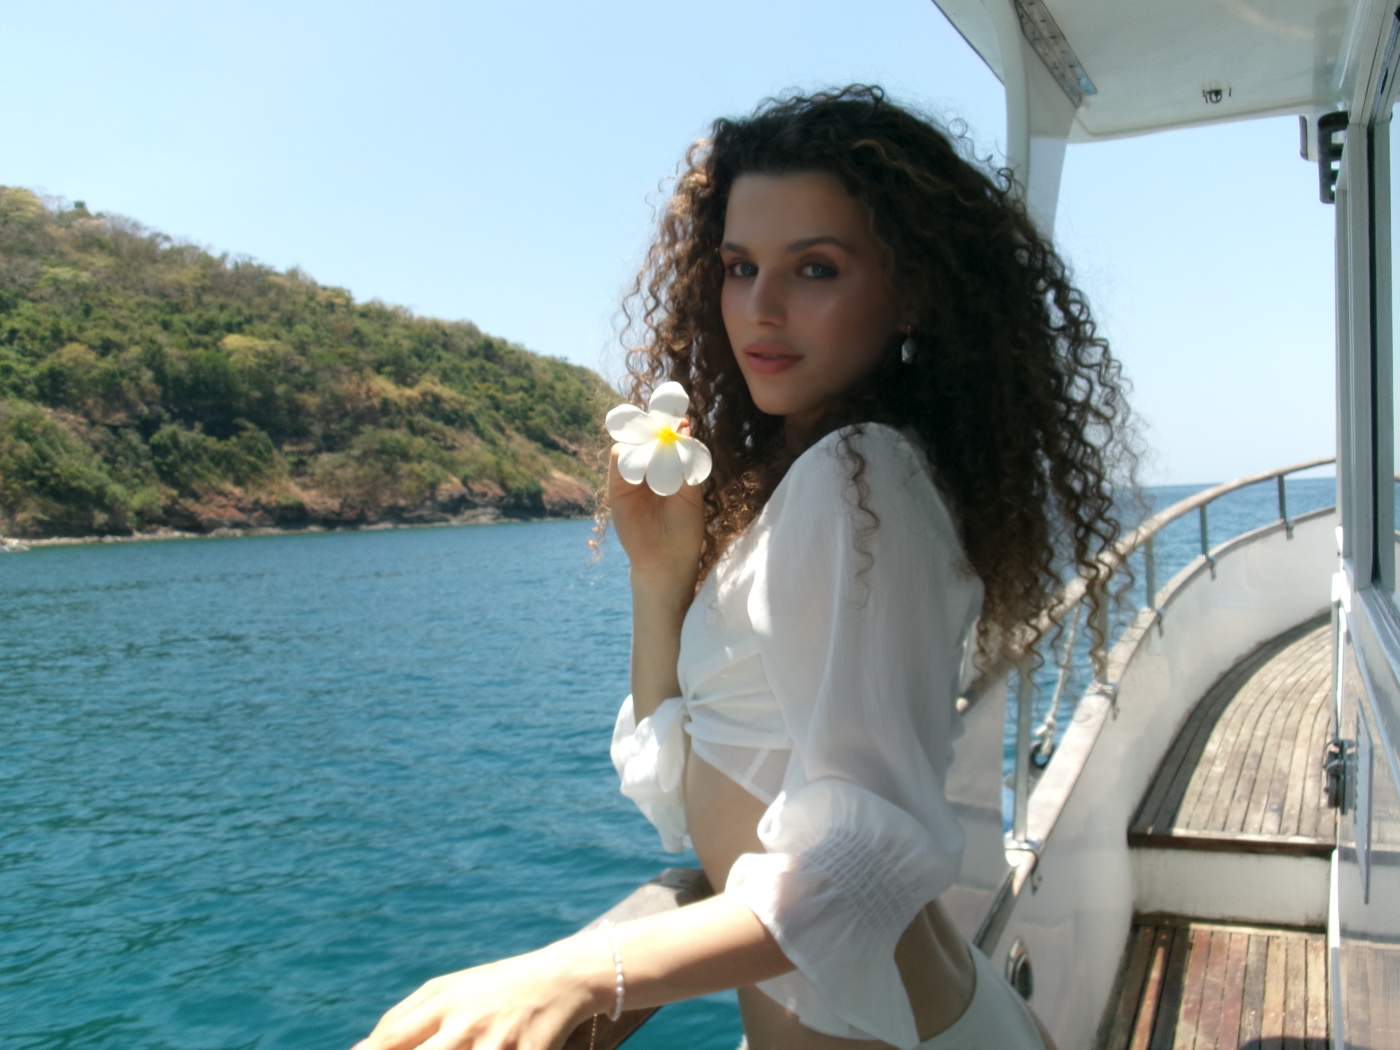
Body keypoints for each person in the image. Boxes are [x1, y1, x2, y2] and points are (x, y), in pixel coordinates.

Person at [354, 84, 1137, 1050]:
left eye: (815, 268)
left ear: (911, 292)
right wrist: (660, 575)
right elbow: (683, 790)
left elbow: (866, 857)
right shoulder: (824, 477)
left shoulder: (858, 478)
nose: (760, 308)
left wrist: (581, 973)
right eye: (739, 266)